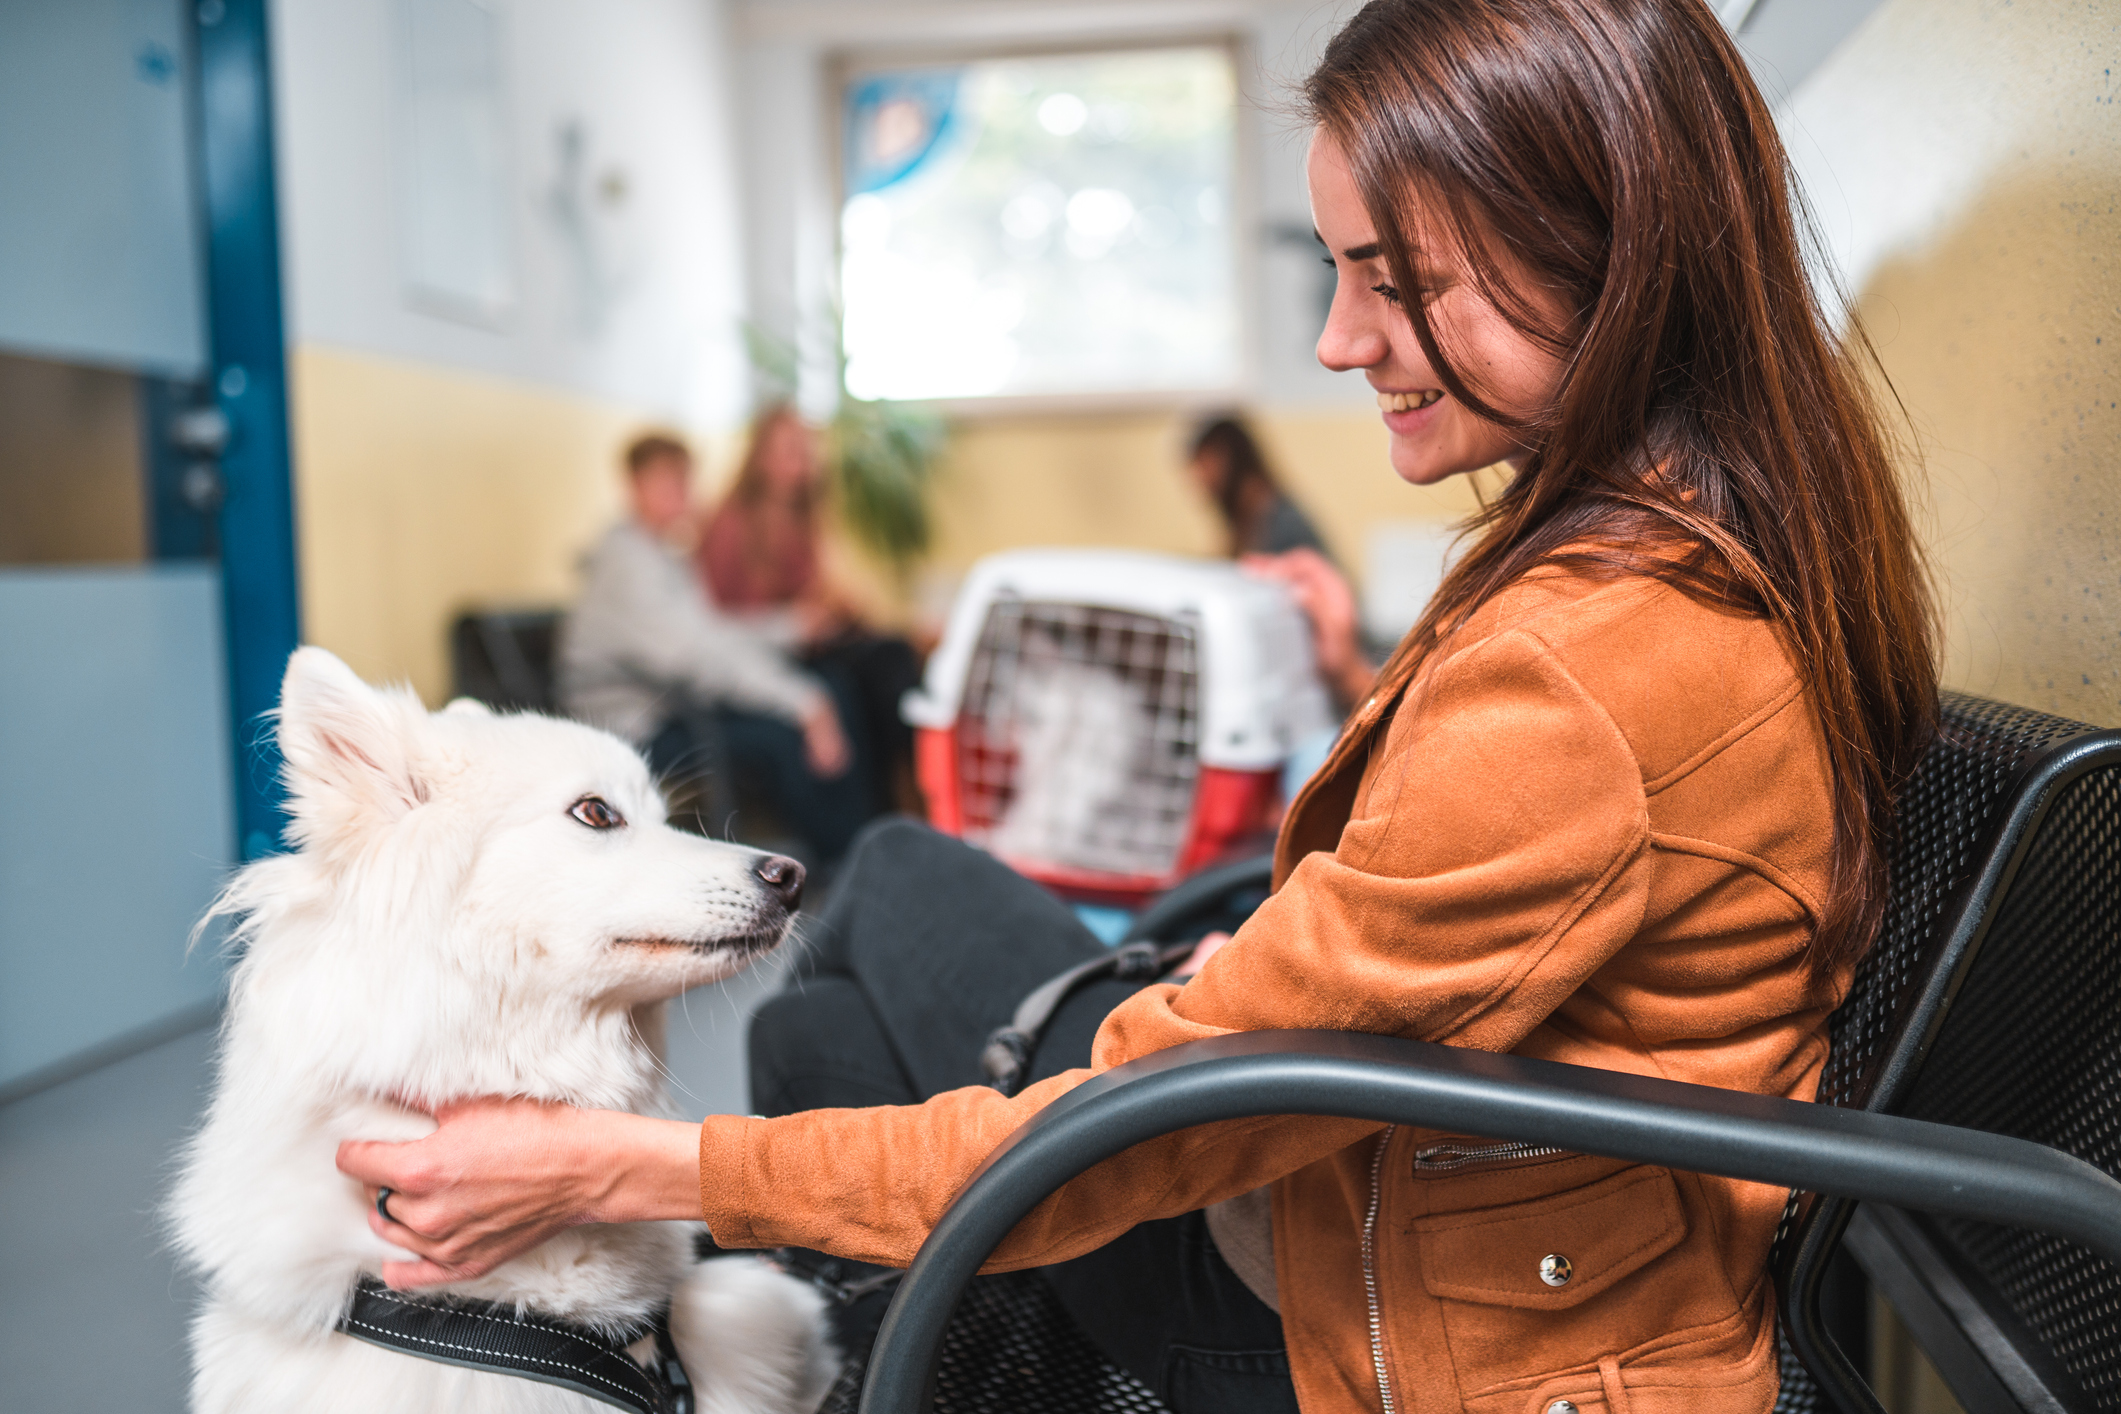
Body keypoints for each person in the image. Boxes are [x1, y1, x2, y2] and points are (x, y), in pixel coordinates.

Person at [338, 4, 1939, 1413]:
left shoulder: (1593, 659)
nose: (1336, 339)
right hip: (1396, 1190)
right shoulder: (1685, 551)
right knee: (831, 1012)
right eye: (1337, 272)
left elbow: (1179, 1112)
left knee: (888, 883)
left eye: (1400, 282)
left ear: (1614, 248)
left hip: (1377, 1324)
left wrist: (623, 1167)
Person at [555, 432, 877, 863]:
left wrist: (789, 629)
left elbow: (711, 633)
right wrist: (802, 703)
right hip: (636, 725)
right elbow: (696, 659)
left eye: (685, 482)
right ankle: (840, 860)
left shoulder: (663, 555)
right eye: (666, 483)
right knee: (785, 733)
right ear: (633, 487)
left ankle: (862, 845)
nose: (682, 495)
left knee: (832, 687)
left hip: (672, 706)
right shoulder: (627, 565)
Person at [697, 405, 923, 813]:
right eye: (790, 449)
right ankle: (886, 806)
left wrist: (833, 608)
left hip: (807, 643)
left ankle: (908, 793)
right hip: (759, 655)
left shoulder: (805, 517)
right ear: (760, 457)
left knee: (892, 655)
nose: (802, 460)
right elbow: (713, 627)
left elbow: (824, 594)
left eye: (807, 449)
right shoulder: (729, 525)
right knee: (866, 678)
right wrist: (795, 623)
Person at [1186, 414, 1331, 560]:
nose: (1200, 479)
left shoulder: (1282, 522)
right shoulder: (1250, 516)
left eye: (1204, 466)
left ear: (1225, 459)